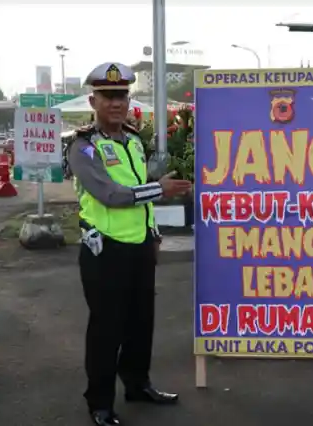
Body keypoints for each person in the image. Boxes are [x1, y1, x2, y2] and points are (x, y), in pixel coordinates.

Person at [68, 62, 193, 426]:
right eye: (108, 96)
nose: (116, 103)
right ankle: (100, 403)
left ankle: (138, 385)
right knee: (107, 330)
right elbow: (110, 195)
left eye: (121, 95)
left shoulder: (134, 141)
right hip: (104, 251)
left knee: (141, 324)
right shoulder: (84, 147)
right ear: (93, 100)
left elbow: (141, 197)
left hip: (138, 248)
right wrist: (159, 188)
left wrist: (154, 235)